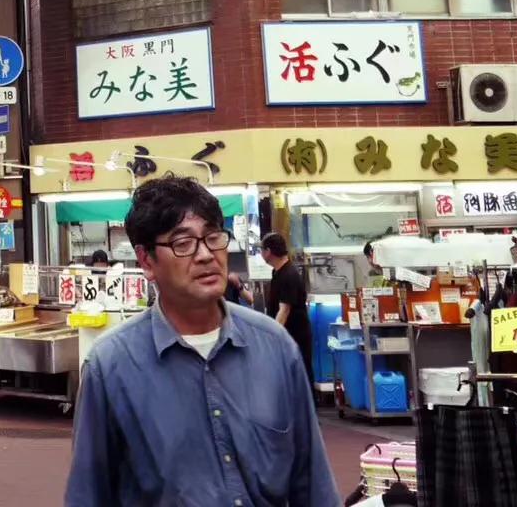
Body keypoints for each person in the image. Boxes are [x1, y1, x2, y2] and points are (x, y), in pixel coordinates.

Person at [65, 177, 338, 507]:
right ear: (147, 261)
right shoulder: (110, 367)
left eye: (213, 237)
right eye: (183, 244)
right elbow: (88, 495)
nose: (206, 255)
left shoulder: (276, 348)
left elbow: (313, 486)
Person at [261, 233, 313, 371]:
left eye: (262, 250)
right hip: (287, 337)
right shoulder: (277, 272)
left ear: (268, 251)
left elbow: (284, 310)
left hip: (295, 338)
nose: (261, 253)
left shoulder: (288, 274)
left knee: (300, 379)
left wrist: (271, 336)